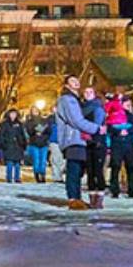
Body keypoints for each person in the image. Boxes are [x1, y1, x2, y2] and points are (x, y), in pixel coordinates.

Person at [55, 76, 103, 209]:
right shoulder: (67, 99)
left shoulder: (76, 100)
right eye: (72, 80)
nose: (76, 82)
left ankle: (77, 197)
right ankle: (73, 198)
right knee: (74, 168)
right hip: (73, 139)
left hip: (80, 139)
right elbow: (76, 120)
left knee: (79, 169)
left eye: (77, 80)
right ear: (66, 85)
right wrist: (96, 128)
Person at [106, 95, 133, 198]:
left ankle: (132, 190)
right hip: (117, 144)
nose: (128, 105)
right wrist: (119, 131)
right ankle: (115, 190)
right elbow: (109, 127)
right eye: (126, 103)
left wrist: (128, 131)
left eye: (130, 104)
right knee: (115, 167)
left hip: (129, 144)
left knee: (131, 168)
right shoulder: (113, 115)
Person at [81, 88, 107, 192]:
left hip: (97, 140)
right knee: (89, 166)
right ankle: (91, 186)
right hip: (86, 140)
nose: (88, 94)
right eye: (85, 92)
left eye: (90, 92)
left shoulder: (98, 107)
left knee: (97, 167)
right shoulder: (81, 107)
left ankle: (100, 187)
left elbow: (98, 124)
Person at [0, 109, 28, 183]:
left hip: (18, 146)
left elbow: (23, 135)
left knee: (17, 163)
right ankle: (9, 177)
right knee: (10, 162)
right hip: (9, 145)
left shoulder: (20, 124)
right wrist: (4, 144)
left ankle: (17, 178)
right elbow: (1, 135)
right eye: (11, 114)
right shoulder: (5, 124)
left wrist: (23, 144)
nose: (13, 115)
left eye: (14, 114)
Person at [25, 107, 51, 183]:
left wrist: (44, 134)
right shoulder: (29, 121)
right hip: (34, 143)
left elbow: (49, 131)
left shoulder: (44, 120)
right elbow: (29, 131)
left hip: (43, 142)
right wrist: (35, 130)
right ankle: (37, 174)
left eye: (36, 111)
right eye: (33, 111)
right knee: (36, 160)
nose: (35, 112)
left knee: (43, 160)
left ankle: (42, 174)